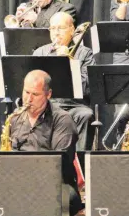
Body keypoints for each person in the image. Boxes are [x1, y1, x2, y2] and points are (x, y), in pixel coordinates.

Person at [8, 70, 81, 216]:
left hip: (56, 185)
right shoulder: (15, 118)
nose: (28, 99)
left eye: (35, 94)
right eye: (26, 92)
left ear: (48, 95)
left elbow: (59, 163)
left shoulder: (62, 120)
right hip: (21, 183)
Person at [33, 12, 95, 150]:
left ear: (72, 30)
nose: (56, 32)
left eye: (60, 28)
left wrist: (67, 62)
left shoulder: (85, 53)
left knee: (86, 115)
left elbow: (87, 87)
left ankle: (80, 164)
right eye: (52, 28)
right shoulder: (40, 53)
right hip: (47, 105)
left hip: (74, 105)